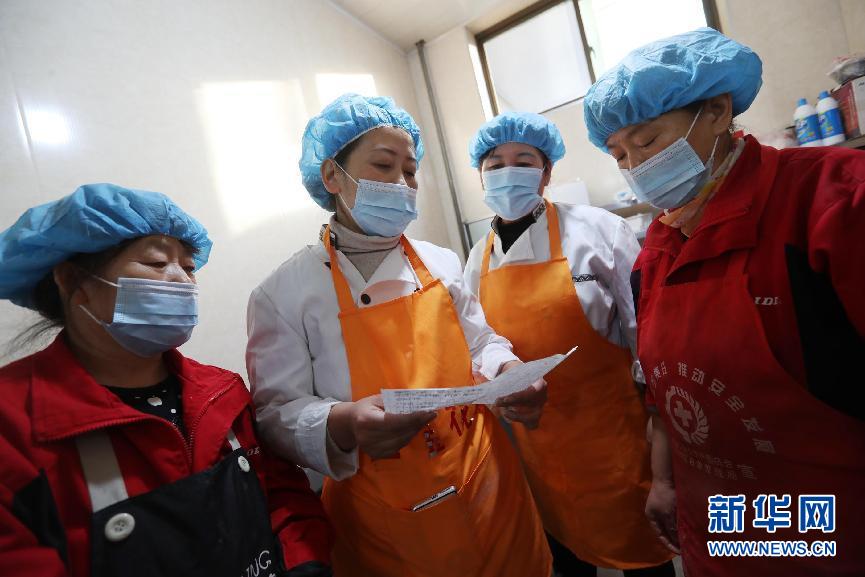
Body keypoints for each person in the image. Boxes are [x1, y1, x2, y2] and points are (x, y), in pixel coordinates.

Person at [583, 27, 865, 576]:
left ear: (717, 111)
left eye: (646, 141)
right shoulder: (658, 249)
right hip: (720, 527)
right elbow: (663, 393)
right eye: (619, 155)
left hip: (832, 533)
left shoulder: (831, 201)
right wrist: (664, 481)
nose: (635, 167)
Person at [246, 94, 552, 577]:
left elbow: (480, 342)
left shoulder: (440, 261)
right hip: (386, 517)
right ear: (332, 176)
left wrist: (509, 370)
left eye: (410, 171)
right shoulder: (284, 293)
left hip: (485, 480)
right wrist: (344, 422)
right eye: (383, 166)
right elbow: (275, 414)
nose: (402, 183)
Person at [0, 184, 333, 577]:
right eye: (156, 263)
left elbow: (282, 495)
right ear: (74, 282)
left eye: (189, 268)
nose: (182, 281)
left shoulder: (222, 392)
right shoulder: (15, 423)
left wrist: (304, 566)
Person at [463, 112, 675, 577]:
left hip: (615, 439)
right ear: (481, 175)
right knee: (565, 555)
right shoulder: (478, 258)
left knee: (644, 554)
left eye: (524, 161)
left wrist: (663, 439)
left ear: (546, 172)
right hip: (537, 447)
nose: (508, 172)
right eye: (495, 164)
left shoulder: (598, 229)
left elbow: (646, 331)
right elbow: (478, 343)